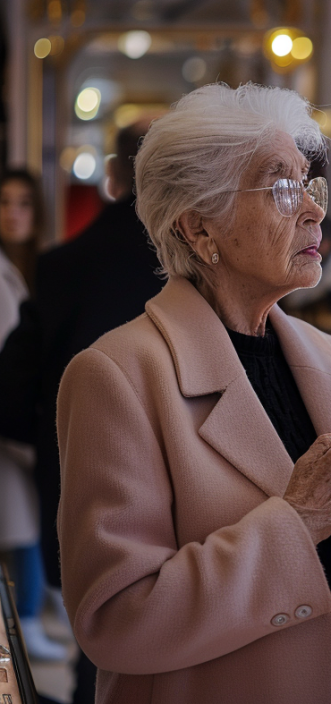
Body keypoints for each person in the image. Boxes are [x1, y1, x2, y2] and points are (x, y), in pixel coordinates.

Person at [56, 83, 331, 704]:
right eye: (282, 188)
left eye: (309, 184)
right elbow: (117, 621)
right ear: (199, 228)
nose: (315, 211)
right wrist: (298, 523)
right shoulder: (119, 375)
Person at [0, 123, 163, 700]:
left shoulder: (60, 266)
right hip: (174, 488)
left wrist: (52, 443)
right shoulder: (195, 263)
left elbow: (10, 395)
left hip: (73, 478)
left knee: (94, 643)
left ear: (113, 178)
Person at [0, 169, 66, 661]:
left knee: (30, 517)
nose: (13, 213)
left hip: (25, 411)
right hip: (8, 419)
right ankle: (23, 620)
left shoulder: (40, 269)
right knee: (22, 520)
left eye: (23, 203)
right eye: (4, 203)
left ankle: (34, 611)